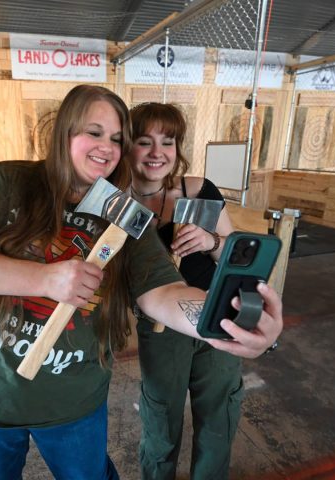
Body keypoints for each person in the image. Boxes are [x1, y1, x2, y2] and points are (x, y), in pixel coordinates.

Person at [0, 85, 283, 480]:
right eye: (94, 133)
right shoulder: (7, 181)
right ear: (65, 134)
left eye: (116, 138)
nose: (107, 147)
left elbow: (162, 291)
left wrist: (222, 319)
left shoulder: (124, 214)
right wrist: (45, 279)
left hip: (73, 402)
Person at [128, 102, 241, 480]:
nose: (157, 152)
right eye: (145, 141)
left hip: (216, 316)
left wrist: (211, 241)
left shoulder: (197, 190)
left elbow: (234, 253)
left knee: (218, 420)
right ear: (128, 146)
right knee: (160, 424)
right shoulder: (118, 202)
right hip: (161, 329)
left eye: (168, 141)